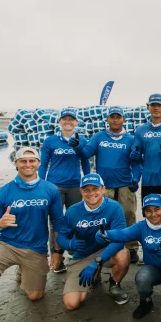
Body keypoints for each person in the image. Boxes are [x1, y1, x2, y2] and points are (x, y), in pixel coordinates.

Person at [0, 147, 64, 322]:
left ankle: (23, 270)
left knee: (35, 296)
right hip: (7, 244)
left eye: (32, 160)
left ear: (39, 163)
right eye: (23, 161)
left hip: (35, 249)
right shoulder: (3, 193)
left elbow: (57, 223)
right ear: (15, 164)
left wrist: (57, 252)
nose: (28, 164)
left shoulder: (50, 189)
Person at [98, 194, 161, 319]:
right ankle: (145, 301)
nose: (153, 214)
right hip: (154, 268)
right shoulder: (141, 226)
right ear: (144, 212)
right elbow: (123, 234)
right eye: (148, 211)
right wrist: (106, 234)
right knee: (141, 277)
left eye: (157, 209)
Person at [71, 106, 142, 263]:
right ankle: (102, 245)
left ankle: (131, 249)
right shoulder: (99, 137)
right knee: (103, 218)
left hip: (124, 185)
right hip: (103, 187)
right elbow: (86, 154)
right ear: (107, 119)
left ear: (124, 119)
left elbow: (137, 163)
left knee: (128, 216)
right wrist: (77, 147)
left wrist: (136, 179)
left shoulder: (130, 139)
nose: (115, 120)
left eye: (118, 117)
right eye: (112, 117)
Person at [56, 174, 130, 310]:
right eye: (86, 190)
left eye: (95, 189)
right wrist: (70, 244)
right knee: (71, 304)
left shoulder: (114, 207)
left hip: (106, 252)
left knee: (123, 254)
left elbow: (120, 239)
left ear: (103, 189)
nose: (91, 193)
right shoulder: (73, 211)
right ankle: (95, 277)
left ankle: (114, 284)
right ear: (81, 192)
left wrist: (95, 263)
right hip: (82, 255)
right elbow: (61, 238)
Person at [39, 107, 91, 272]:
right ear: (60, 122)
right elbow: (43, 164)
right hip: (55, 186)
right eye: (64, 119)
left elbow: (85, 161)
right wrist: (41, 183)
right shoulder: (50, 141)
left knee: (76, 220)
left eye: (71, 119)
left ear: (76, 122)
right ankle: (57, 256)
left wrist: (88, 181)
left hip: (75, 185)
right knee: (56, 222)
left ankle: (75, 252)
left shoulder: (81, 140)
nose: (68, 122)